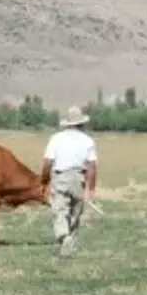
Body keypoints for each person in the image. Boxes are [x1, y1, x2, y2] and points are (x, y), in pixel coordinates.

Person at [40, 105, 98, 256]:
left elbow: (47, 162)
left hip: (61, 177)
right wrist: (91, 188)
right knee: (75, 212)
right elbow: (92, 166)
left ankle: (64, 237)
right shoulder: (88, 141)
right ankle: (71, 242)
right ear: (82, 124)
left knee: (60, 210)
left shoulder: (56, 139)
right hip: (79, 178)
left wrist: (44, 180)